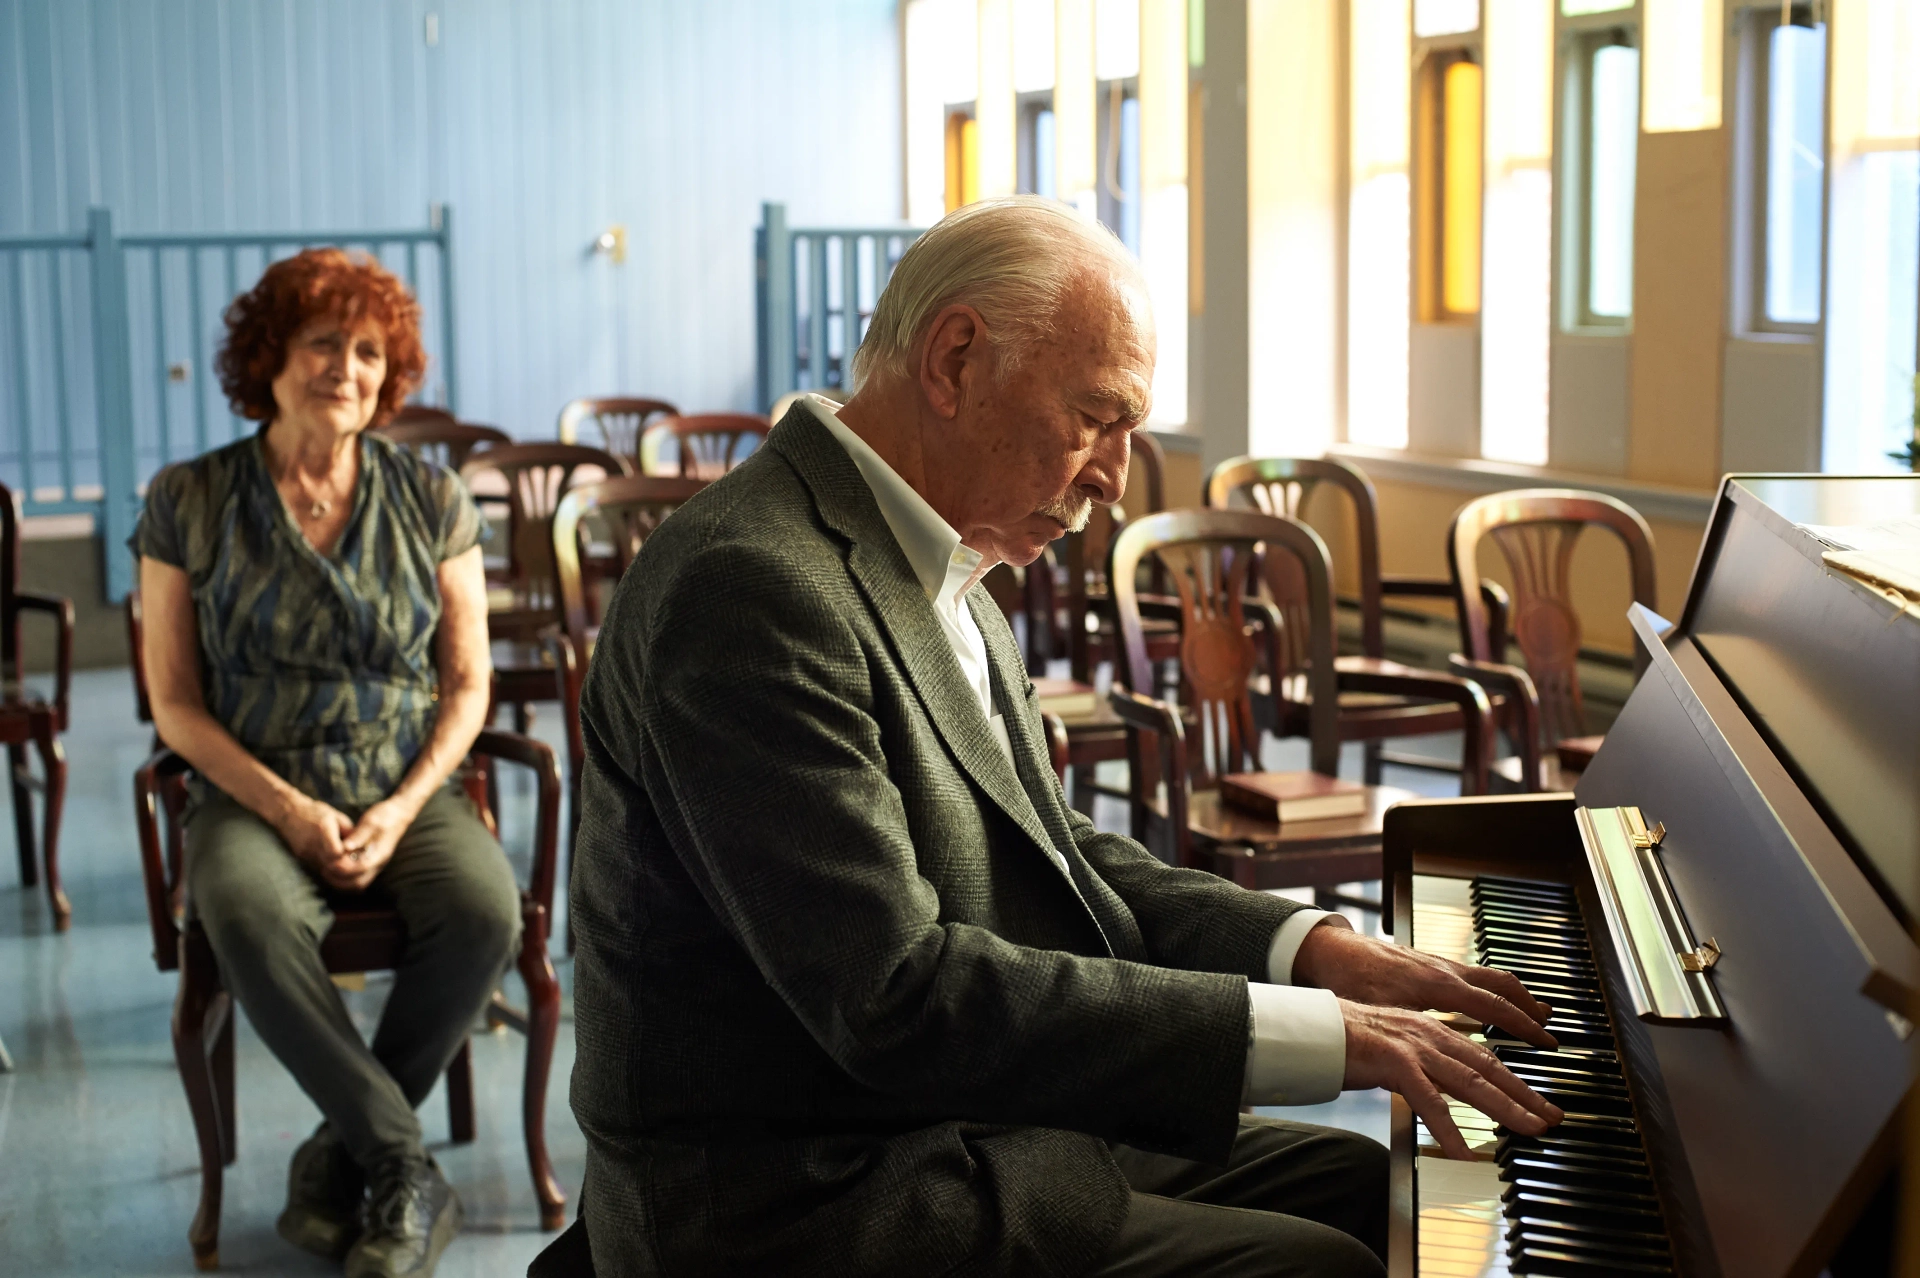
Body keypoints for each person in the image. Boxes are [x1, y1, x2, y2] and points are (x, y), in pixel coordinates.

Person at [543, 198, 1563, 1278]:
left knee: (1374, 1190)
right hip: (813, 1202)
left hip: (964, 1133)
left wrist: (1314, 952)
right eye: (1097, 417)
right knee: (1328, 1267)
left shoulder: (944, 554)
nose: (1115, 479)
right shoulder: (750, 585)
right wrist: (1329, 1037)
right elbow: (893, 997)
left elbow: (1060, 853)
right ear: (955, 360)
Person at [135, 248, 519, 1278]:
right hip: (251, 785)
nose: (344, 368)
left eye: (366, 351)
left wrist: (397, 810)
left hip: (404, 780)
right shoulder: (188, 499)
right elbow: (173, 703)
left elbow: (467, 683)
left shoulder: (432, 498)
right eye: (320, 344)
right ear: (268, 358)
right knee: (249, 915)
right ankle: (401, 1166)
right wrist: (293, 812)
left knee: (487, 913)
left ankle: (332, 1161)